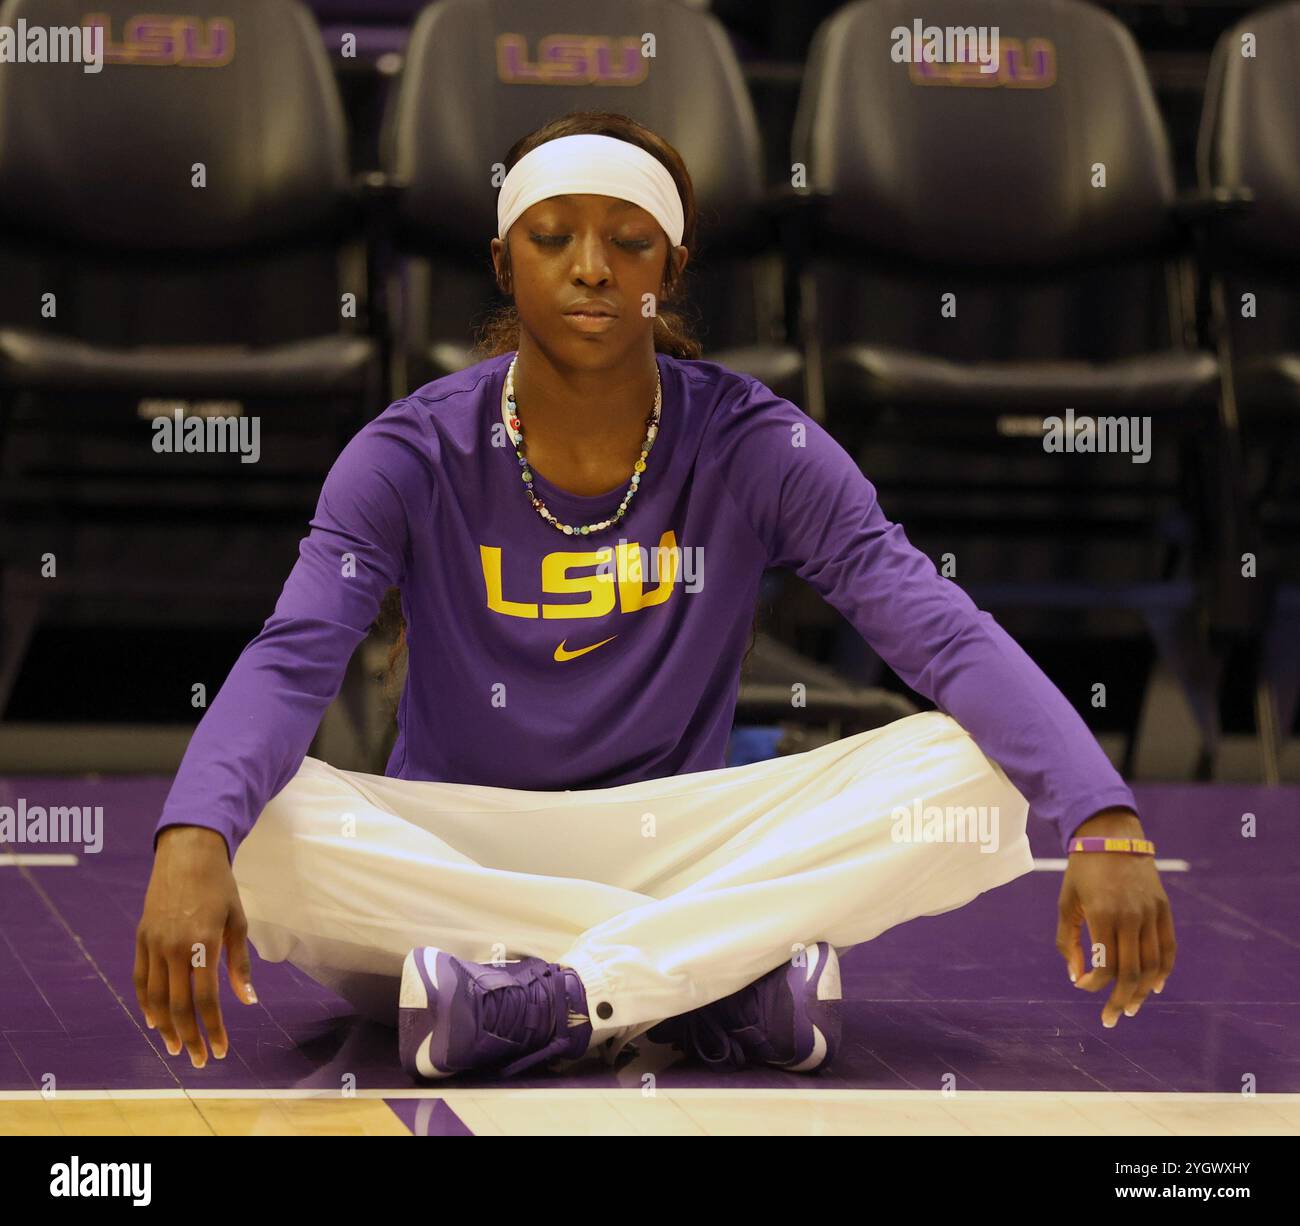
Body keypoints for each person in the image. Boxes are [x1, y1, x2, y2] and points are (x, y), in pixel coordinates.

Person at [134, 111, 1176, 1081]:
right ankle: (695, 989)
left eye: (628, 241)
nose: (591, 267)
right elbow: (292, 655)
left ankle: (554, 1003)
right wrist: (193, 835)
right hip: (453, 852)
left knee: (970, 769)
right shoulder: (409, 451)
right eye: (553, 237)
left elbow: (936, 625)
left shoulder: (756, 443)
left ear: (671, 269)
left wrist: (1102, 814)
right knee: (257, 826)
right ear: (504, 261)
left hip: (666, 849)